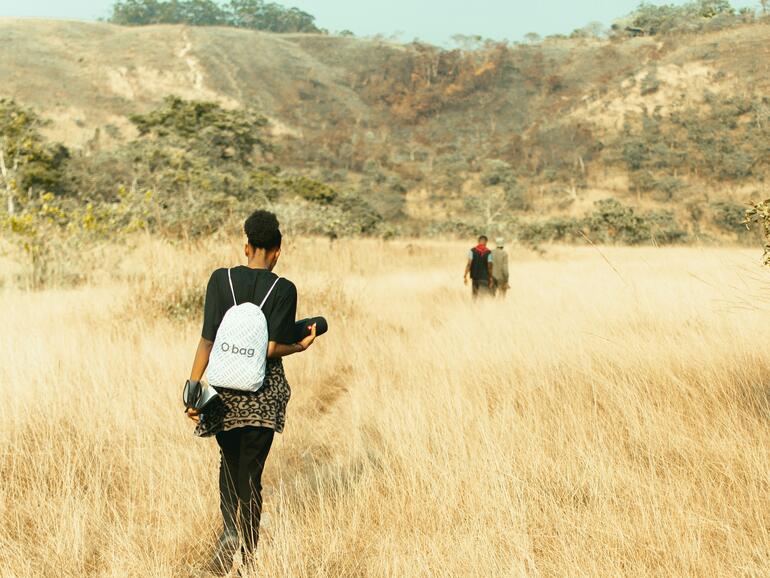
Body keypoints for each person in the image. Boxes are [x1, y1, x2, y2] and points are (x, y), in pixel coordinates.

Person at [185, 210, 319, 575]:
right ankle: (247, 551)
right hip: (263, 395)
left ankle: (230, 534)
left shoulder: (220, 280)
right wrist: (300, 347)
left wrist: (193, 387)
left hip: (224, 395)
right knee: (252, 474)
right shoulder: (284, 288)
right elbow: (271, 348)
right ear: (277, 251)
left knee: (229, 466)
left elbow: (207, 339)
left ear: (246, 246)